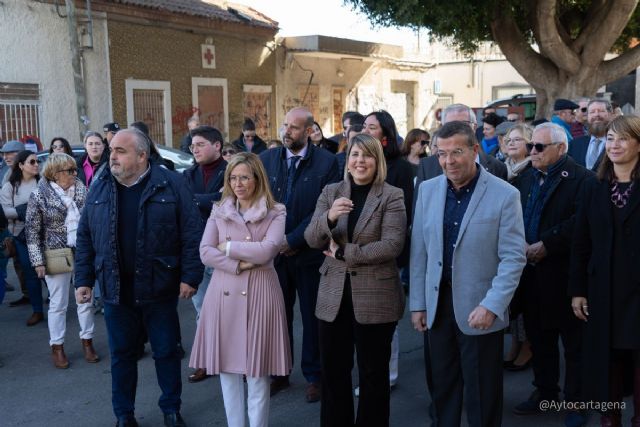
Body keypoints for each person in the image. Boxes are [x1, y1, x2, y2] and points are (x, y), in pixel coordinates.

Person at [74, 128, 203, 427]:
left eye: (120, 151)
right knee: (121, 355)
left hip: (160, 285)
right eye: (112, 150)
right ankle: (124, 414)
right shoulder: (101, 184)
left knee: (166, 351)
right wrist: (83, 279)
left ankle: (171, 409)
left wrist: (191, 276)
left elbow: (192, 232)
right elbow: (85, 236)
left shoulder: (171, 183)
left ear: (142, 156)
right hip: (115, 287)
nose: (112, 156)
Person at [410, 121, 526, 426]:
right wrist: (419, 303)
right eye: (442, 153)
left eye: (456, 152)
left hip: (481, 307)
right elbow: (420, 250)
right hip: (437, 307)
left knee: (483, 393)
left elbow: (513, 258)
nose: (448, 161)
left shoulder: (505, 194)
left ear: (475, 151)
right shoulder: (428, 190)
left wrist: (492, 305)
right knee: (443, 389)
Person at [305, 133, 406, 427]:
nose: (360, 161)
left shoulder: (392, 195)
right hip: (333, 297)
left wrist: (345, 253)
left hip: (376, 297)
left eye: (367, 155)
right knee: (333, 373)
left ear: (378, 161)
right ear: (347, 161)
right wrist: (330, 218)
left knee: (373, 375)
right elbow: (312, 238)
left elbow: (392, 245)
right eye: (354, 155)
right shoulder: (331, 192)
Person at [190, 152, 291, 427]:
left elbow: (269, 250)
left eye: (245, 177)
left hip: (260, 293)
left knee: (257, 371)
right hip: (224, 292)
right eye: (233, 178)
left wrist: (229, 247)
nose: (238, 183)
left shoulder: (276, 211)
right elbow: (205, 252)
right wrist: (238, 265)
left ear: (257, 178)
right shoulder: (219, 209)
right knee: (227, 370)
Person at [511, 123, 592, 427]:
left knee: (574, 344)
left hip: (565, 274)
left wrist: (548, 243)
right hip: (531, 275)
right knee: (539, 339)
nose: (532, 151)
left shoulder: (583, 179)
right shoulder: (525, 178)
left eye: (539, 147)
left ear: (561, 148)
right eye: (531, 145)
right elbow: (514, 215)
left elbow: (581, 223)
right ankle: (545, 392)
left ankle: (577, 401)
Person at [260, 107, 340, 402]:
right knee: (276, 317)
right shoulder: (267, 160)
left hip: (309, 254)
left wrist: (294, 240)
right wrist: (273, 242)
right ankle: (279, 373)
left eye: (294, 128)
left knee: (311, 318)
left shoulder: (327, 162)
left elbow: (323, 209)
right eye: (284, 126)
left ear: (309, 131)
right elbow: (258, 203)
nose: (286, 132)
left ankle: (315, 376)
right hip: (274, 256)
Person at [570, 115, 640, 427]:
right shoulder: (592, 186)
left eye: (622, 138)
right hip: (603, 289)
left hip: (638, 291)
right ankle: (609, 419)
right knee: (604, 360)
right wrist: (577, 290)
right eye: (610, 138)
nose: (614, 145)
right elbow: (580, 243)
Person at [25, 153, 98, 369]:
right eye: (70, 171)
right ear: (55, 174)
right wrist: (38, 261)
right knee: (58, 304)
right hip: (55, 254)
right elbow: (32, 231)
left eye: (75, 169)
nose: (75, 174)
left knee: (86, 298)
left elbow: (91, 220)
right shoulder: (39, 194)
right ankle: (57, 346)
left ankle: (87, 341)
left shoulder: (81, 188)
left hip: (83, 251)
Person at [182, 125, 227, 383]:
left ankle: (234, 358)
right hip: (198, 250)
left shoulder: (232, 171)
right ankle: (208, 360)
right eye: (192, 146)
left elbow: (229, 203)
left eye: (199, 144)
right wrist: (209, 199)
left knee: (229, 307)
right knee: (202, 308)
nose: (195, 149)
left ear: (217, 145)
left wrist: (199, 201)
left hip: (225, 250)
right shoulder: (188, 174)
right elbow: (186, 204)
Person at [1, 150, 43, 326]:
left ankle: (58, 307)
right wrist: (24, 210)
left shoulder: (43, 182)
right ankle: (37, 310)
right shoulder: (10, 186)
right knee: (31, 273)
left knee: (52, 273)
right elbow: (4, 211)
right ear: (21, 165)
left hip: (44, 234)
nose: (36, 165)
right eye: (32, 162)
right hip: (21, 236)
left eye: (37, 162)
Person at [568, 99, 612, 171]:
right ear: (587, 117)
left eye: (601, 111)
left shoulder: (619, 143)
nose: (596, 115)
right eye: (592, 112)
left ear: (610, 114)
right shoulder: (575, 144)